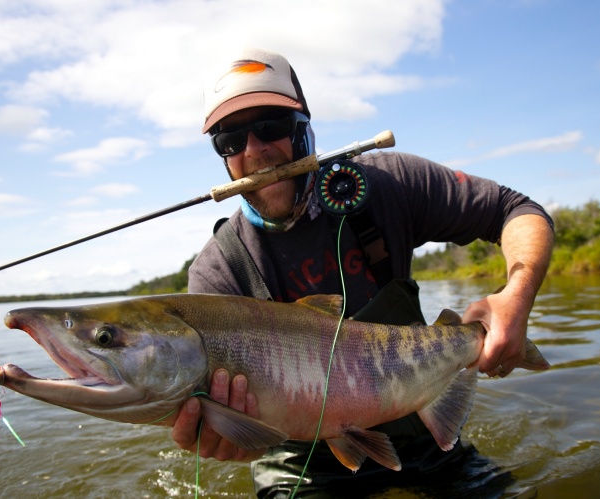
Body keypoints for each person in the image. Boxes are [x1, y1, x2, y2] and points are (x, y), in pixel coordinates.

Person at [171, 47, 554, 498]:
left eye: (270, 127)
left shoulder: (386, 184)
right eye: (230, 140)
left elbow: (515, 210)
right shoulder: (218, 272)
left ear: (304, 130)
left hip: (424, 432)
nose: (254, 151)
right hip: (304, 464)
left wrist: (517, 294)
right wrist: (233, 433)